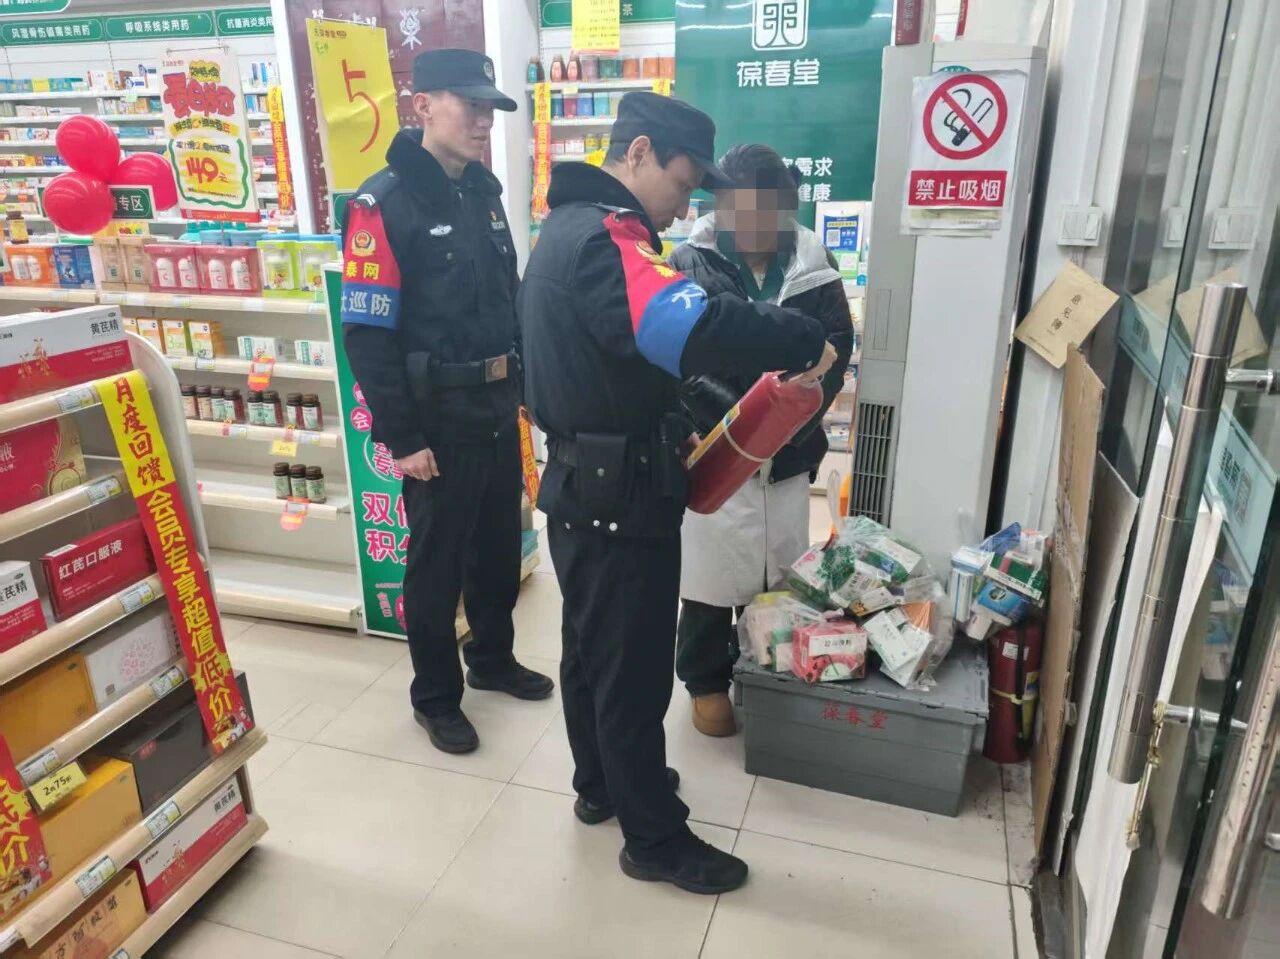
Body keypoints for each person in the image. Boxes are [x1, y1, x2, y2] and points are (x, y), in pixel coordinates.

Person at [519, 92, 838, 894]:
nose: (686, 203)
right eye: (684, 181)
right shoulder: (607, 239)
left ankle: (602, 783)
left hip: (584, 482)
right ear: (638, 154)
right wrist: (797, 334)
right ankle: (654, 839)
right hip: (619, 493)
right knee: (630, 671)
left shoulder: (563, 229)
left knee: (591, 652)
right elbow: (689, 326)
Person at [339, 49, 553, 756]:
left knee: (497, 547)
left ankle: (491, 657)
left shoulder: (484, 196)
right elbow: (367, 334)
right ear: (424, 104)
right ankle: (434, 695)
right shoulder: (384, 203)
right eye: (470, 104)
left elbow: (510, 302)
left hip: (495, 408)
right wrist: (402, 437)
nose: (483, 120)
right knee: (435, 565)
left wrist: (524, 393)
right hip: (436, 420)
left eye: (490, 107)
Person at [671, 144, 853, 737]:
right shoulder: (688, 262)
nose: (750, 223)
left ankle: (765, 673)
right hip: (718, 448)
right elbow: (677, 356)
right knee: (709, 578)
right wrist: (741, 419)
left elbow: (836, 345)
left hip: (790, 452)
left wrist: (793, 411)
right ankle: (705, 680)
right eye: (737, 208)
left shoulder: (814, 264)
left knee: (778, 576)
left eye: (764, 210)